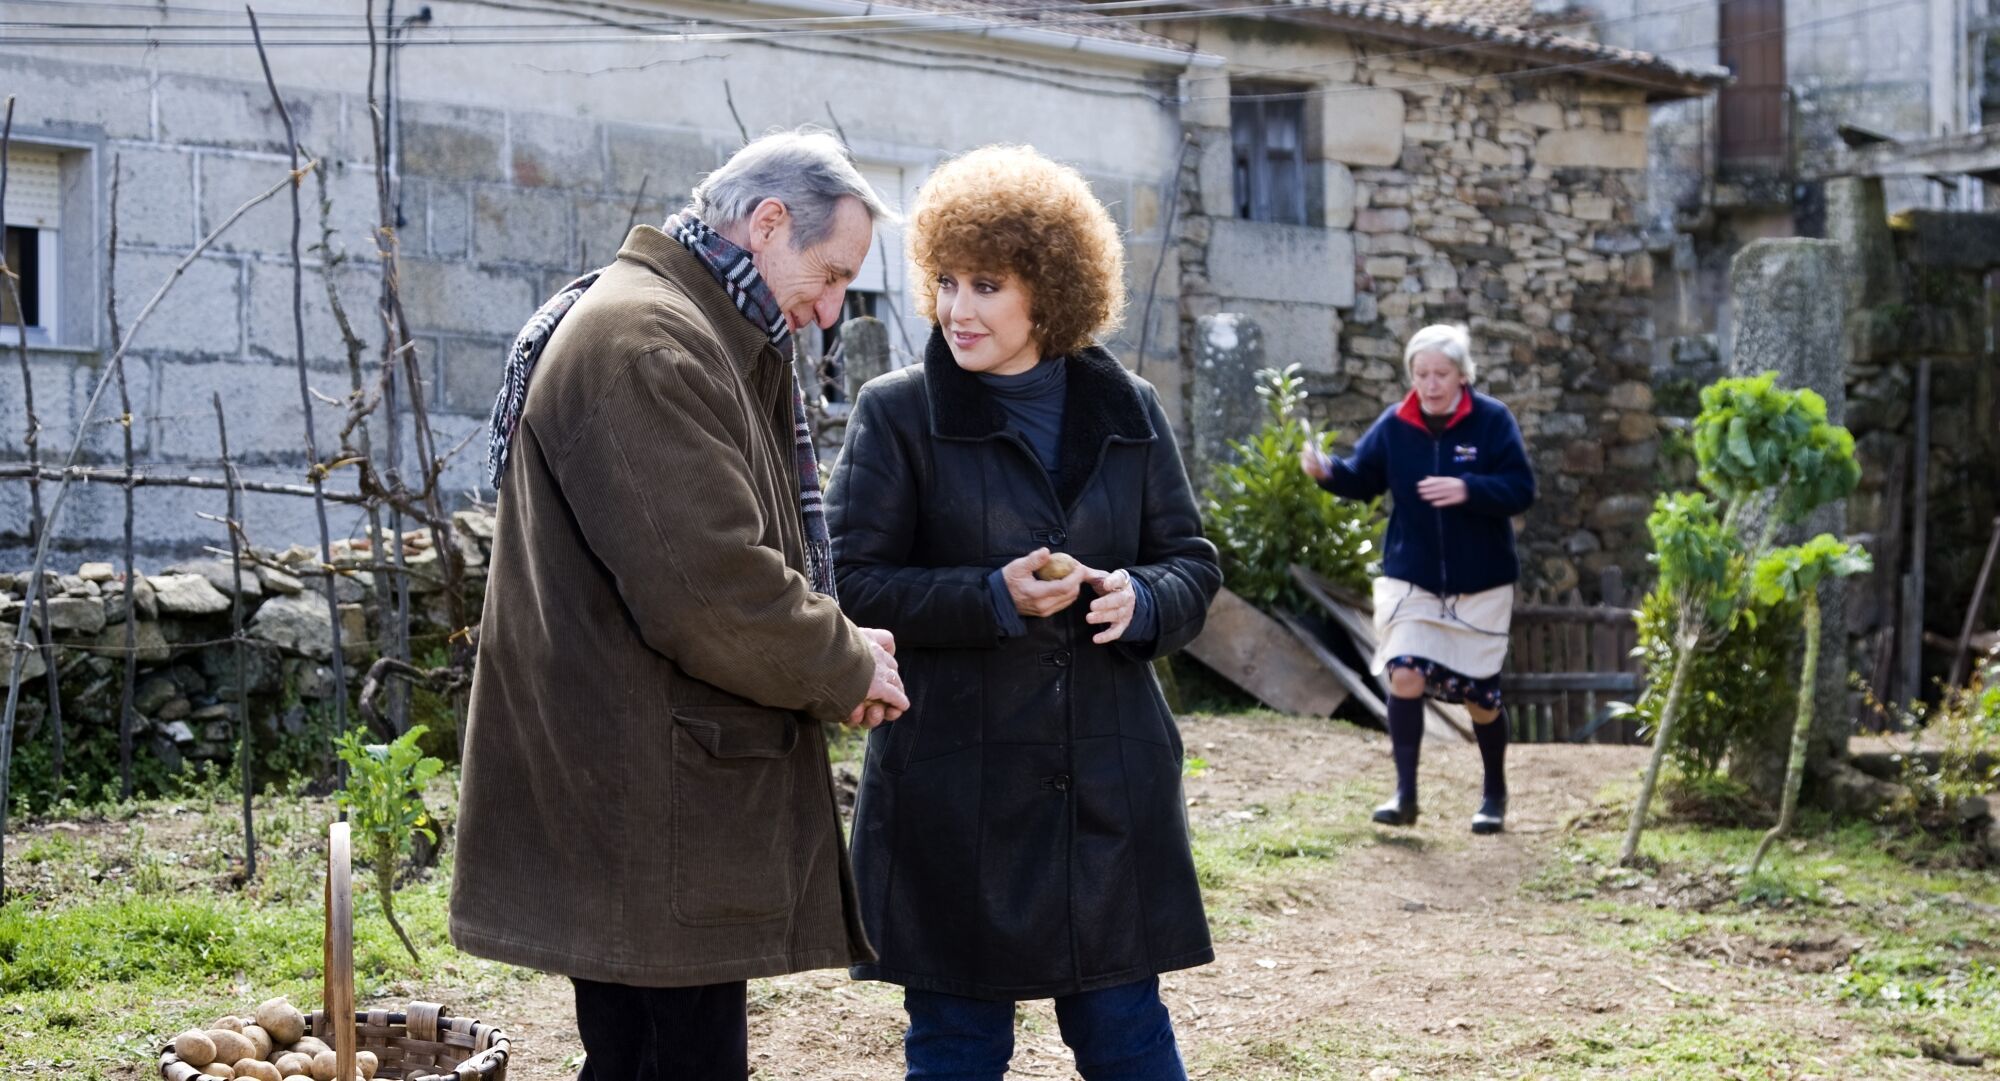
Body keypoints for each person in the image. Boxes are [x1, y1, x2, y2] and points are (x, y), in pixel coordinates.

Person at [451, 129, 910, 1081]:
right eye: (830, 275)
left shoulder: (685, 325)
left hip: (656, 786)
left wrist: (835, 644)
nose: (830, 310)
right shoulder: (649, 343)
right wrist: (845, 662)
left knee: (640, 1056)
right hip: (652, 797)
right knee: (670, 1061)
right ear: (768, 223)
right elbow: (713, 592)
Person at [826, 144, 1221, 1081]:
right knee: (957, 1048)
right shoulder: (897, 413)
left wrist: (1140, 595)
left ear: (1050, 289)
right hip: (954, 788)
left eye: (987, 285)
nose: (957, 309)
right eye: (946, 281)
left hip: (1105, 782)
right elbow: (847, 585)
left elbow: (1192, 564)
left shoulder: (1130, 409)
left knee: (1126, 1034)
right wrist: (988, 596)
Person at [1301, 323, 1535, 835]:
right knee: (1403, 672)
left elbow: (1521, 489)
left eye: (1441, 374)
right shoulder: (1395, 424)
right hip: (1412, 577)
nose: (1430, 384)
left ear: (1462, 376)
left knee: (1480, 698)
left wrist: (1469, 490)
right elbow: (1362, 479)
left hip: (1482, 582)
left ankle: (1494, 792)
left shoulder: (1492, 421)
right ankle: (1404, 795)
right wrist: (1327, 472)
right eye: (1421, 373)